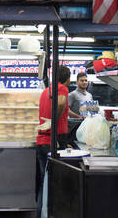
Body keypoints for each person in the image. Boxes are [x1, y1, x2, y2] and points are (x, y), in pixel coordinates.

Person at [35, 66, 70, 214]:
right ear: (68, 78)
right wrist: (54, 121)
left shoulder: (45, 91)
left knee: (44, 182)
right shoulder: (62, 88)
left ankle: (40, 214)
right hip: (53, 141)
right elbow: (61, 103)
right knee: (52, 184)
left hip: (42, 142)